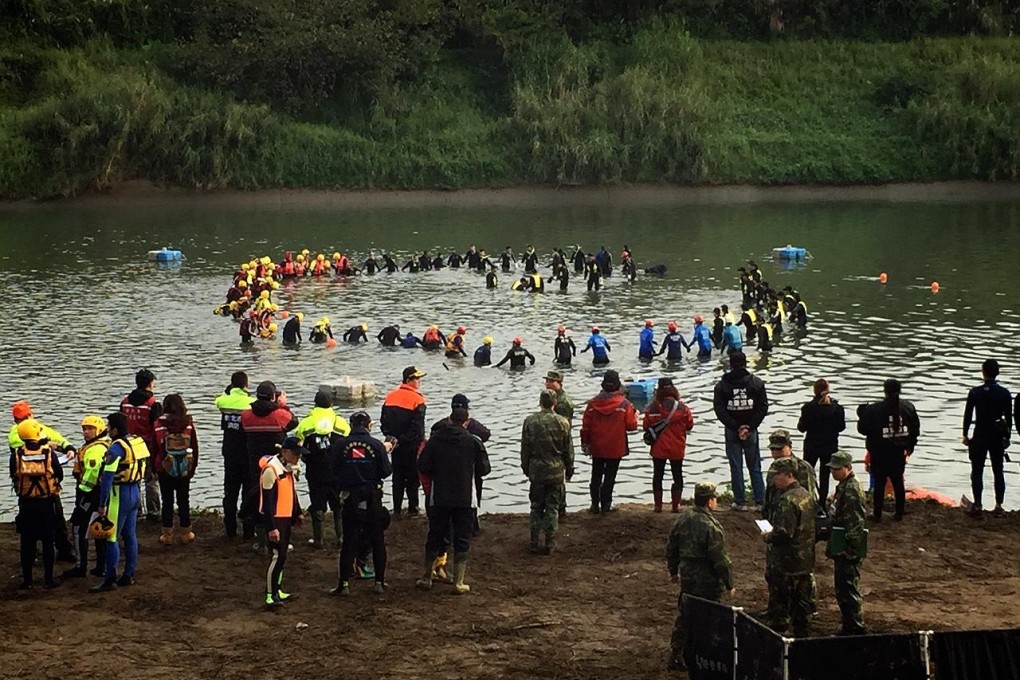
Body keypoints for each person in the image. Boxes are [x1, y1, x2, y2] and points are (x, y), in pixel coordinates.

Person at [416, 407, 491, 593]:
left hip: (439, 496)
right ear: (466, 422)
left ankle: (426, 577)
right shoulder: (473, 442)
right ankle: (459, 582)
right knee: (462, 537)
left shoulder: (435, 440)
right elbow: (484, 470)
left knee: (435, 535)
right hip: (465, 497)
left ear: (449, 420)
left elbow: (423, 465)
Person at [665, 483, 733, 671]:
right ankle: (705, 654)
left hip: (687, 573)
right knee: (710, 614)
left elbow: (671, 547)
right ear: (710, 501)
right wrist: (729, 583)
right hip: (707, 577)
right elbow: (719, 558)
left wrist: (672, 570)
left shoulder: (683, 518)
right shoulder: (711, 526)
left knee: (686, 614)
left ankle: (676, 653)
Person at [330, 411, 393, 596]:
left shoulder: (340, 444)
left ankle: (344, 584)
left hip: (350, 497)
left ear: (350, 424)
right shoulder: (376, 445)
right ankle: (379, 582)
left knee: (349, 541)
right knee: (377, 540)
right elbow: (386, 471)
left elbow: (333, 470)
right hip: (372, 497)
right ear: (369, 425)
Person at [9, 400, 77, 563]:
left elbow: (58, 438)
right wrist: (45, 443)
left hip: (36, 489)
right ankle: (36, 555)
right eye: (24, 418)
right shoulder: (16, 433)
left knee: (58, 521)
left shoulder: (37, 428)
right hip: (37, 489)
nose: (27, 419)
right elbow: (20, 442)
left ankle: (63, 551)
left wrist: (68, 448)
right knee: (35, 526)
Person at [91, 412, 150, 592]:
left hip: (119, 494)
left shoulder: (115, 449)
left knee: (111, 536)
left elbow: (107, 478)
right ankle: (128, 574)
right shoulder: (135, 442)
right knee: (130, 535)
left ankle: (110, 579)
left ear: (115, 429)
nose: (107, 430)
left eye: (108, 427)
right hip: (135, 492)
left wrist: (102, 503)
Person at [762, 457, 816, 638]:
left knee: (780, 607)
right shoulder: (806, 496)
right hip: (805, 560)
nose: (774, 480)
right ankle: (803, 640)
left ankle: (779, 641)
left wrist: (767, 535)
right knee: (802, 607)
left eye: (777, 476)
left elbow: (783, 534)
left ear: (789, 475)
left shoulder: (787, 500)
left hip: (786, 563)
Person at [239, 381, 298, 545]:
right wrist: (283, 406)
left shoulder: (246, 415)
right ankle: (277, 534)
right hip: (276, 465)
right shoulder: (279, 415)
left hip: (256, 464)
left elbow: (243, 428)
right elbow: (294, 422)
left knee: (258, 498)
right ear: (273, 397)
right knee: (277, 499)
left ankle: (260, 538)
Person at [10, 419, 65, 590]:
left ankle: (27, 581)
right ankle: (48, 579)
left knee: (27, 543)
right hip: (46, 503)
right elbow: (59, 474)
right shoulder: (49, 453)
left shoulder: (17, 454)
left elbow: (14, 474)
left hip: (26, 504)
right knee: (48, 541)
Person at [856, 379, 919, 522]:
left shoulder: (874, 409)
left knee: (879, 483)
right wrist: (909, 448)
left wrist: (862, 415)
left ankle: (877, 514)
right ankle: (899, 513)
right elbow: (915, 430)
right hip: (898, 452)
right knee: (898, 482)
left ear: (884, 391)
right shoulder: (908, 407)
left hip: (879, 452)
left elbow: (862, 429)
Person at [713, 352, 768, 512]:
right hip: (751, 430)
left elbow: (719, 409)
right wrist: (749, 427)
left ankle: (740, 501)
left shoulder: (722, 385)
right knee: (755, 466)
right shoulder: (756, 383)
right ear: (745, 363)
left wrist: (736, 426)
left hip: (732, 430)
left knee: (736, 466)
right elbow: (763, 407)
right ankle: (760, 501)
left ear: (730, 364)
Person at [294, 391, 351, 548]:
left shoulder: (306, 423)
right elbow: (348, 443)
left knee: (317, 505)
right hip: (336, 471)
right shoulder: (341, 423)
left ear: (315, 403)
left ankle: (318, 540)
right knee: (338, 505)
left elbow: (298, 445)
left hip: (315, 470)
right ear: (331, 404)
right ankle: (341, 538)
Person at [521, 389, 574, 554]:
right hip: (556, 471)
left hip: (536, 470)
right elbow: (568, 450)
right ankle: (549, 543)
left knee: (536, 506)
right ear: (555, 403)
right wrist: (569, 468)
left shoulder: (529, 421)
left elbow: (525, 449)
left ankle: (534, 541)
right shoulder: (563, 422)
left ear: (540, 402)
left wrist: (525, 467)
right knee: (552, 507)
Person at [431, 394, 491, 535]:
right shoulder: (471, 424)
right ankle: (473, 525)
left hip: (444, 469)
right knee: (472, 496)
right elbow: (486, 435)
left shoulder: (440, 425)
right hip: (469, 468)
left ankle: (448, 528)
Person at [580, 370, 638, 513]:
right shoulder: (625, 404)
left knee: (596, 475)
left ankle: (594, 506)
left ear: (603, 384)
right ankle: (606, 505)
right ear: (618, 385)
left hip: (597, 446)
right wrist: (636, 415)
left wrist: (585, 443)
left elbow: (585, 427)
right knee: (610, 476)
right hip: (615, 447)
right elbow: (631, 426)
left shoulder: (592, 404)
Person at [824, 451, 868, 635]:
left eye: (837, 469)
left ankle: (856, 627)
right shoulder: (844, 486)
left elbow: (855, 523)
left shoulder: (851, 489)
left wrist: (851, 549)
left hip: (848, 547)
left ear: (847, 468)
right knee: (842, 589)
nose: (833, 472)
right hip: (841, 543)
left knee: (848, 589)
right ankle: (849, 623)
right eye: (832, 469)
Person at [962, 359, 1013, 517]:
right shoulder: (1005, 393)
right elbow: (1009, 420)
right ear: (998, 372)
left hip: (980, 435)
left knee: (977, 470)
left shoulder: (975, 392)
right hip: (997, 436)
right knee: (998, 471)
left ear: (983, 372)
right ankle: (998, 506)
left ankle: (978, 505)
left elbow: (968, 415)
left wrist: (965, 434)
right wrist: (1007, 436)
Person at [260, 437, 304, 608]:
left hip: (285, 518)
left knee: (283, 556)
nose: (298, 458)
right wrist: (271, 527)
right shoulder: (271, 470)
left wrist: (298, 512)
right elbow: (267, 503)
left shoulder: (288, 469)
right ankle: (270, 595)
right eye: (295, 454)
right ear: (285, 452)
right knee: (277, 557)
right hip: (276, 519)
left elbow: (292, 493)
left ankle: (278, 590)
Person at [65, 415, 109, 578]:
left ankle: (80, 566)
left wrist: (83, 492)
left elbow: (91, 475)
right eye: (84, 429)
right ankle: (101, 566)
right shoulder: (103, 445)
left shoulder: (94, 450)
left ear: (98, 430)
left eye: (90, 429)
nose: (86, 432)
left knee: (78, 527)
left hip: (89, 495)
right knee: (99, 530)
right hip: (100, 495)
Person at [153, 394, 200, 546]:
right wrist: (192, 467)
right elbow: (195, 446)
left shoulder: (158, 424)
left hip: (164, 467)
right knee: (183, 499)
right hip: (184, 466)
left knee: (167, 500)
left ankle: (167, 534)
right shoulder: (188, 424)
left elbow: (154, 448)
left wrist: (154, 466)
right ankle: (186, 532)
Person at [380, 366, 427, 516]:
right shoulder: (418, 399)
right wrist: (406, 439)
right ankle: (413, 509)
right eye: (417, 379)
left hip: (394, 445)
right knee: (413, 477)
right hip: (412, 445)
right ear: (408, 380)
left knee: (397, 476)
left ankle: (397, 509)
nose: (419, 382)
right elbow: (417, 427)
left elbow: (383, 422)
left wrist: (392, 439)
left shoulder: (390, 396)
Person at [643, 378, 695, 514]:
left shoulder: (652, 408)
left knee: (657, 475)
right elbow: (690, 425)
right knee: (677, 475)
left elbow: (646, 426)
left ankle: (658, 506)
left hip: (658, 448)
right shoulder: (683, 408)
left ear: (658, 390)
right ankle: (675, 506)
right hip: (677, 447)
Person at [215, 372, 255, 539]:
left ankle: (230, 530)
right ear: (246, 385)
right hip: (246, 452)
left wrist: (228, 392)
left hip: (229, 452)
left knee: (230, 493)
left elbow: (218, 400)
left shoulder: (223, 401)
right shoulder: (251, 403)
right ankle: (248, 530)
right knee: (248, 492)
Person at [120, 368, 162, 522]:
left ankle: (135, 512)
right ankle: (154, 513)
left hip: (128, 447)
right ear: (150, 384)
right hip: (147, 447)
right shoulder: (153, 404)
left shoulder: (124, 402)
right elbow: (157, 428)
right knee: (151, 481)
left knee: (132, 479)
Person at [797, 378, 846, 501]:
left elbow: (801, 428)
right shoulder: (837, 409)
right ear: (828, 391)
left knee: (807, 474)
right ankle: (822, 503)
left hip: (812, 446)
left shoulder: (808, 408)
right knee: (825, 476)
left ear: (814, 391)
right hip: (829, 446)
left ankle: (807, 499)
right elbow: (841, 427)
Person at [544, 370, 574, 518]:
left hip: (560, 446)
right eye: (546, 381)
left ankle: (561, 510)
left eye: (551, 381)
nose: (547, 384)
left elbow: (565, 430)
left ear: (559, 383)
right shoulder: (552, 398)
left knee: (559, 481)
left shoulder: (563, 403)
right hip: (550, 445)